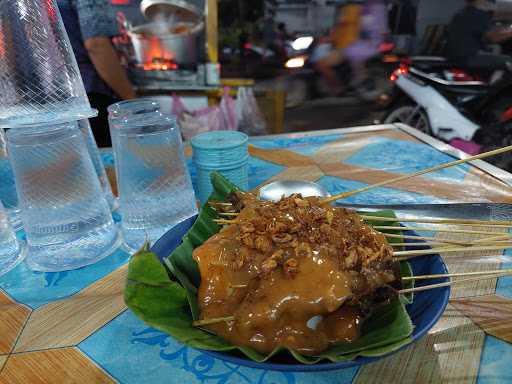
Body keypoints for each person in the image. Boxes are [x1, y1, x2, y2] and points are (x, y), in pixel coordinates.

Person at [57, 0, 141, 147]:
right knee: (104, 164)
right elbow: (96, 45)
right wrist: (132, 101)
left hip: (43, 102)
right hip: (88, 99)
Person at [313, 0, 387, 95]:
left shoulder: (354, 10)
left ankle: (338, 88)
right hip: (344, 44)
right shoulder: (350, 9)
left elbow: (347, 30)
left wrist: (330, 39)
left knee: (321, 64)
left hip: (347, 45)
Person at [446, 0, 512, 73]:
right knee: (509, 61)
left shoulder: (464, 12)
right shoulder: (477, 14)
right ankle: (495, 83)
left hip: (454, 56)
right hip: (468, 58)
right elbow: (492, 38)